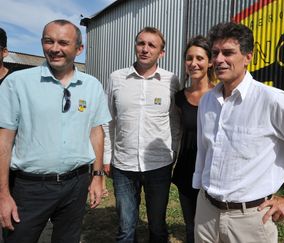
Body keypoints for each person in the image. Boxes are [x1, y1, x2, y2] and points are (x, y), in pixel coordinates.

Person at [192, 22, 284, 243]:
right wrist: (199, 188)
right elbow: (204, 150)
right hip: (207, 211)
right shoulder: (208, 100)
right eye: (215, 53)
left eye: (228, 53)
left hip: (250, 219)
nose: (218, 60)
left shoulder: (272, 100)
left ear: (248, 57)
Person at [0, 19, 111, 243]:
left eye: (63, 42)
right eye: (48, 41)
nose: (54, 48)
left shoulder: (92, 86)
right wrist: (3, 194)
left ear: (79, 49)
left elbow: (96, 131)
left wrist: (97, 177)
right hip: (30, 188)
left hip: (76, 185)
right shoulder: (17, 83)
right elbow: (4, 139)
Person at [103, 27, 181, 243]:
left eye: (151, 45)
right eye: (141, 43)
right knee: (126, 228)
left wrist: (172, 152)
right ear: (136, 45)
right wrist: (107, 156)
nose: (145, 49)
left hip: (159, 164)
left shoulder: (171, 80)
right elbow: (108, 119)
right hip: (123, 166)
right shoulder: (117, 78)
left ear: (161, 53)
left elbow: (175, 121)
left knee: (157, 226)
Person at [172, 35, 215, 243]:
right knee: (192, 229)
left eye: (200, 58)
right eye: (189, 58)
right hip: (186, 171)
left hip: (213, 171)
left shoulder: (220, 94)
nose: (194, 63)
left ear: (210, 62)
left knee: (212, 230)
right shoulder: (179, 98)